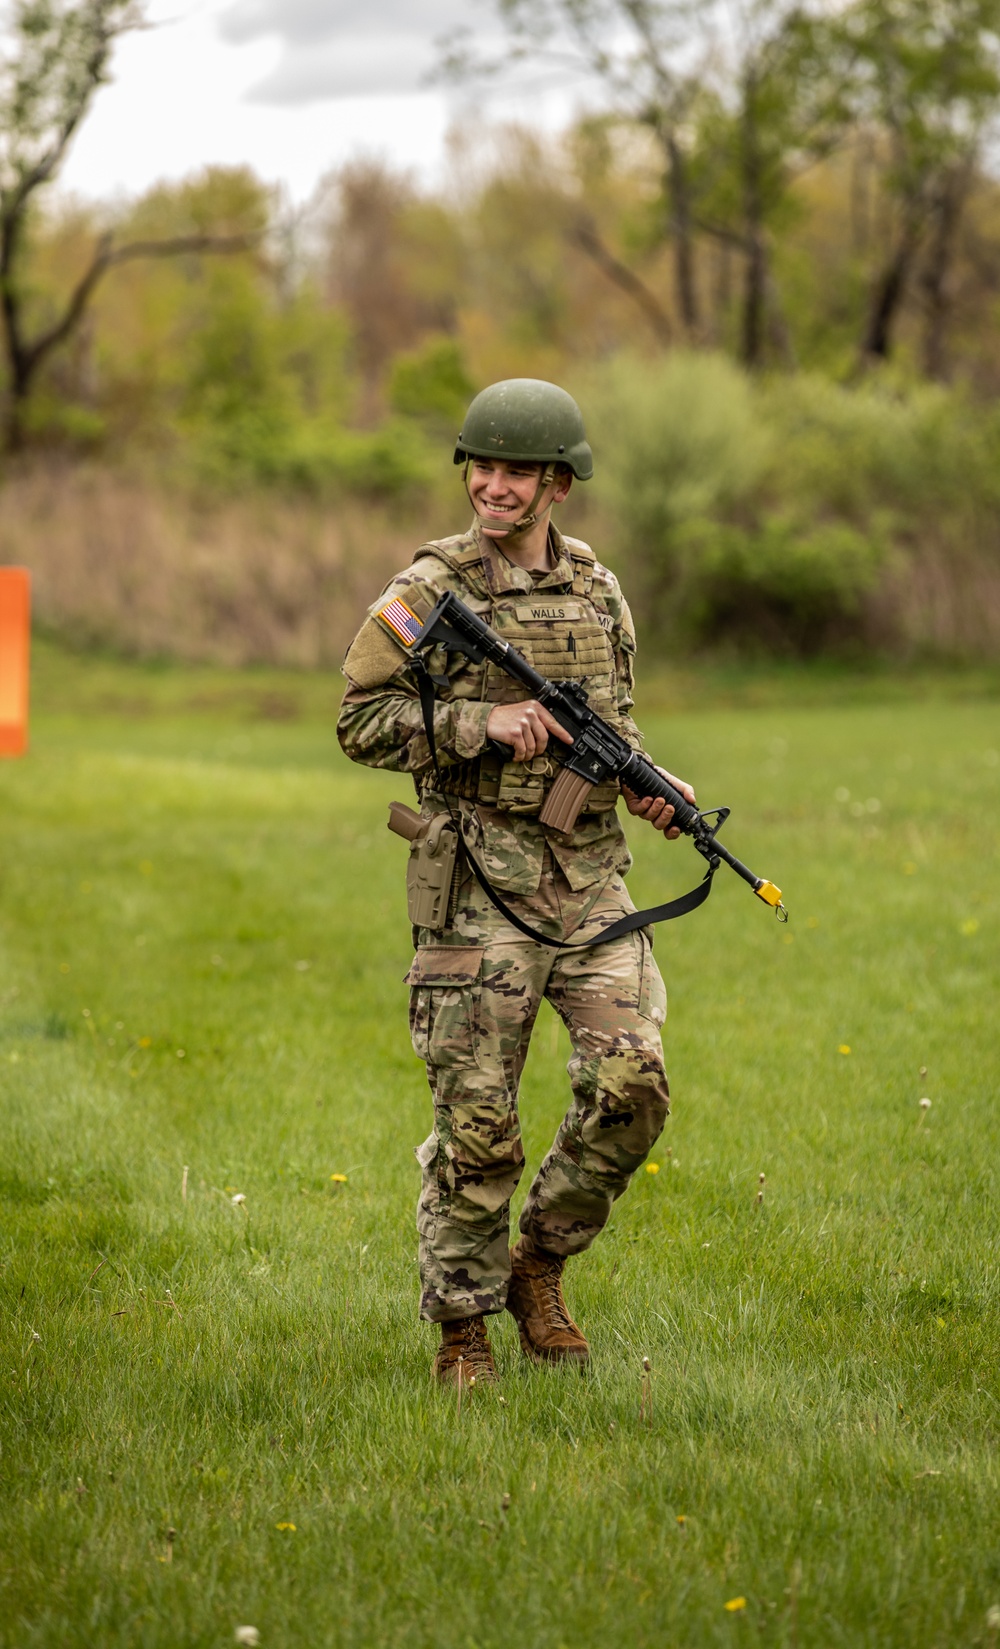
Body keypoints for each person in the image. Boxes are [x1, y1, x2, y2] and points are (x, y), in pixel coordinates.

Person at [337, 378, 695, 1387]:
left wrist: (651, 784)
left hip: (587, 885)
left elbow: (612, 728)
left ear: (558, 482)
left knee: (632, 1087)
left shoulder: (598, 589)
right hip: (474, 886)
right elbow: (355, 721)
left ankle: (539, 1262)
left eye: (517, 471)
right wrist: (471, 724)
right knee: (478, 1121)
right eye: (481, 466)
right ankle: (463, 1325)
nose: (494, 486)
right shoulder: (426, 589)